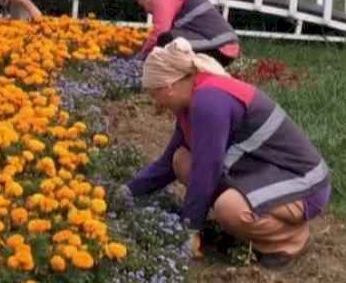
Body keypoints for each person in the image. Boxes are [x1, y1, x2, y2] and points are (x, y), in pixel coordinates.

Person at [121, 38, 330, 270]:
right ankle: (252, 223)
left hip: (303, 182)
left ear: (169, 87)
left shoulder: (209, 102)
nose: (154, 102)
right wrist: (126, 192)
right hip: (263, 171)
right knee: (181, 160)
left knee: (229, 209)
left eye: (154, 93)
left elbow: (207, 169)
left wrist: (189, 229)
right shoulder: (190, 103)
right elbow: (169, 164)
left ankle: (290, 239)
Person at [135, 0, 240, 65]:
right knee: (168, 41)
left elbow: (160, 31)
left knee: (166, 40)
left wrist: (142, 55)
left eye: (143, 5)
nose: (146, 11)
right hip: (225, 45)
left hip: (221, 47)